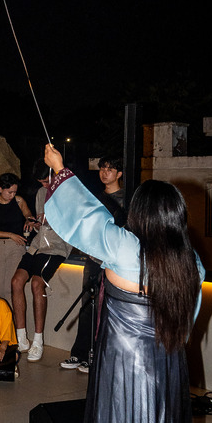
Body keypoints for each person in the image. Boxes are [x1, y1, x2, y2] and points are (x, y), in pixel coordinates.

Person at [43, 143, 204, 423]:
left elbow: (84, 217)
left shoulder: (123, 247)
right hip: (166, 367)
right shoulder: (190, 262)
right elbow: (187, 321)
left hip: (124, 367)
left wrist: (59, 169)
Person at [60, 156, 126, 373]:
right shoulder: (95, 198)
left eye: (110, 169)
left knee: (107, 307)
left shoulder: (127, 199)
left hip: (114, 262)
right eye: (102, 169)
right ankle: (80, 353)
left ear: (119, 174)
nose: (105, 173)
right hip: (93, 259)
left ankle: (97, 356)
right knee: (87, 304)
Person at [10, 161, 72, 362]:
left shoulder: (68, 192)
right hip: (38, 245)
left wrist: (49, 221)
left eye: (46, 181)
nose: (45, 185)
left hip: (56, 247)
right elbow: (41, 224)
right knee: (16, 281)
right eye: (41, 182)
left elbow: (71, 224)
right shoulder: (40, 193)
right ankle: (21, 337)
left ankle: (38, 340)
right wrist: (34, 223)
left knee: (37, 283)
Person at [0, 172, 35, 301]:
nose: (12, 195)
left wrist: (29, 220)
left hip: (16, 245)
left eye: (14, 192)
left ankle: (11, 313)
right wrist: (10, 235)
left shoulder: (18, 200)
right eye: (9, 192)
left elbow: (28, 214)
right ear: (1, 189)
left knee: (11, 287)